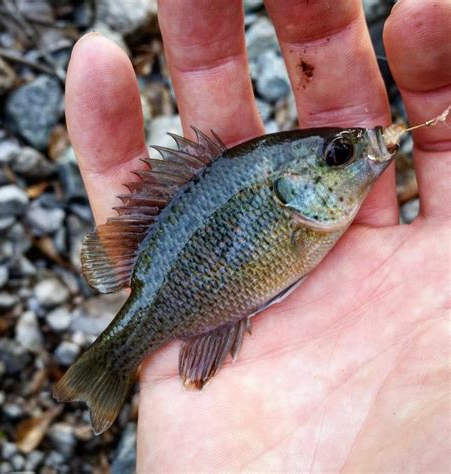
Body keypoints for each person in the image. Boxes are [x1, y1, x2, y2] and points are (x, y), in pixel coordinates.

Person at [65, 0, 450, 471]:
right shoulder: (296, 218)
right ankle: (110, 361)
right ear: (289, 190)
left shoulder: (309, 216)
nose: (361, 151)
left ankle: (104, 370)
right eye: (339, 154)